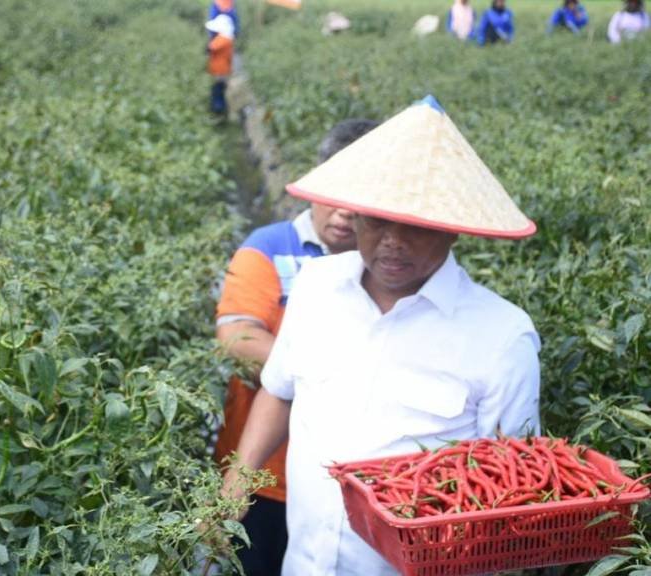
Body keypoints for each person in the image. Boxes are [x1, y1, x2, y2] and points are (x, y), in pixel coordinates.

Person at [222, 95, 541, 575]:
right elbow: (279, 389)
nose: (392, 239)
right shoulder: (317, 287)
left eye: (414, 224)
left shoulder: (501, 337)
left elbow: (509, 488)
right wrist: (235, 483)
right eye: (376, 219)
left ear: (454, 230)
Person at [215, 119, 380, 576]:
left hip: (351, 483)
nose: (345, 212)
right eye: (336, 194)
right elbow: (237, 336)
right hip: (268, 478)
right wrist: (326, 370)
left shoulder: (387, 270)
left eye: (359, 199)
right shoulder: (268, 248)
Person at [205, 14, 235, 116]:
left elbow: (210, 48)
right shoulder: (227, 38)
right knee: (220, 90)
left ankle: (219, 112)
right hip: (223, 68)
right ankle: (221, 112)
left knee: (218, 91)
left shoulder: (223, 39)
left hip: (220, 70)